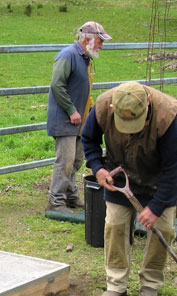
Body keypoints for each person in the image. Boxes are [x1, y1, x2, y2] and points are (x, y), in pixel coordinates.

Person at [81, 81, 177, 296]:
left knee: (163, 230)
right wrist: (97, 167)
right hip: (120, 175)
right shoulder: (102, 107)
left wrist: (156, 207)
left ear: (147, 105)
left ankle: (151, 282)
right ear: (113, 109)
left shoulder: (165, 115)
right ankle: (116, 283)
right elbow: (88, 139)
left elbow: (174, 168)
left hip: (157, 181)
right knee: (115, 226)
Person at [45, 21, 111, 213]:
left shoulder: (85, 59)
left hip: (79, 121)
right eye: (100, 41)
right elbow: (57, 85)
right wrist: (72, 110)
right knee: (65, 161)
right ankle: (55, 202)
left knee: (76, 161)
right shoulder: (68, 55)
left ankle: (71, 196)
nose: (101, 46)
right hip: (66, 119)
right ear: (88, 39)